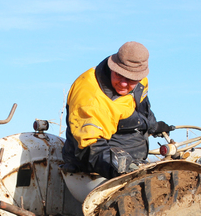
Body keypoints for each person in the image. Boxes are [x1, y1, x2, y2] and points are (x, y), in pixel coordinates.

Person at [62, 41, 173, 179]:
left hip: (135, 161)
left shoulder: (140, 83)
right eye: (119, 75)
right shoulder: (91, 98)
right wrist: (122, 170)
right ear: (112, 67)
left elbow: (141, 107)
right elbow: (91, 150)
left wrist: (153, 126)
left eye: (131, 79)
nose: (123, 84)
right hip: (98, 170)